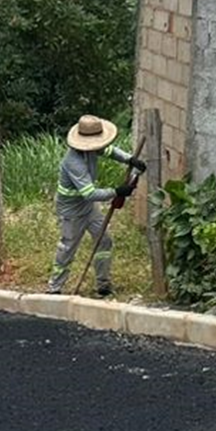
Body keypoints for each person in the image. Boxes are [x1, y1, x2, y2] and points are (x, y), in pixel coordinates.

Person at [47, 115, 147, 297]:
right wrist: (116, 191)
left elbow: (109, 151)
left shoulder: (91, 150)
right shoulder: (74, 162)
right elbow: (90, 193)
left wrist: (129, 159)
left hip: (88, 207)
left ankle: (103, 283)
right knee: (67, 249)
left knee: (104, 240)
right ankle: (54, 288)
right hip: (72, 212)